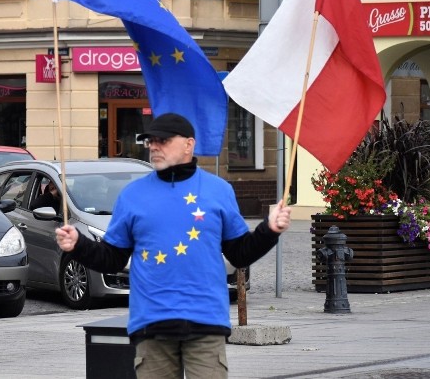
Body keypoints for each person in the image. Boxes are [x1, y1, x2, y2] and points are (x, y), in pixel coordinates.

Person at [56, 112, 291, 378]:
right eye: (150, 141)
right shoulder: (133, 195)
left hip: (206, 320)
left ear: (189, 144)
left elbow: (239, 253)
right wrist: (78, 244)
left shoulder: (218, 190)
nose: (154, 146)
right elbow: (112, 259)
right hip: (152, 322)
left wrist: (269, 230)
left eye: (163, 141)